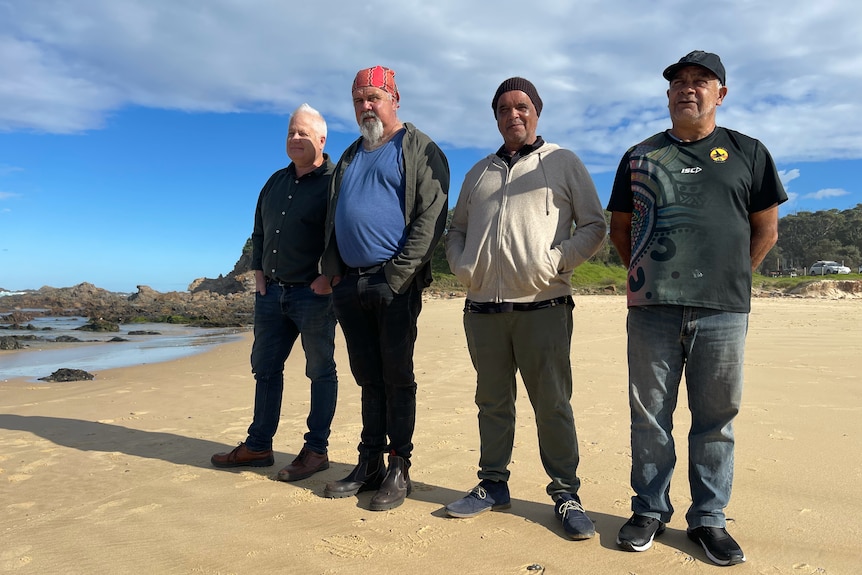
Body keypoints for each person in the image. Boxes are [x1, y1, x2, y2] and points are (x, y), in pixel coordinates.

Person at [607, 51, 787, 565]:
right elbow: (620, 228)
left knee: (716, 418)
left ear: (720, 94)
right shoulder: (640, 155)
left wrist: (732, 279)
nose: (688, 88)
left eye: (700, 81)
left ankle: (709, 519)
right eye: (679, 82)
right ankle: (649, 510)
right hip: (652, 308)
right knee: (650, 416)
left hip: (723, 311)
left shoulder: (748, 152)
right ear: (667, 96)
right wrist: (643, 273)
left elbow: (766, 230)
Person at [444, 77, 607, 540]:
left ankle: (566, 494)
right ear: (495, 116)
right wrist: (463, 266)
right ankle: (493, 483)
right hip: (482, 310)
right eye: (503, 109)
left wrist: (554, 261)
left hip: (544, 306)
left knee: (552, 404)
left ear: (536, 111)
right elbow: (456, 229)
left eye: (521, 106)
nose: (512, 114)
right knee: (492, 402)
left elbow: (593, 224)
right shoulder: (478, 172)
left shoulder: (563, 162)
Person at [320, 65, 449, 511]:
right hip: (350, 285)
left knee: (397, 378)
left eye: (374, 97)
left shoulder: (419, 148)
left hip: (394, 282)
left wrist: (396, 276)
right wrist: (334, 272)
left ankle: (399, 468)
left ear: (394, 99)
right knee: (368, 379)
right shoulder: (351, 154)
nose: (366, 107)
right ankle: (369, 462)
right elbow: (335, 217)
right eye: (359, 100)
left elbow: (431, 218)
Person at [211, 103, 338, 483]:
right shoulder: (274, 182)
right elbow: (260, 230)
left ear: (321, 139)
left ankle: (316, 451)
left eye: (303, 133)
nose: (295, 138)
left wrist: (328, 277)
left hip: (313, 296)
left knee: (320, 372)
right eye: (290, 133)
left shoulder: (336, 182)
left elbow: (345, 233)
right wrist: (258, 273)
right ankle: (258, 445)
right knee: (265, 370)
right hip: (271, 295)